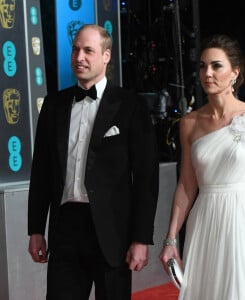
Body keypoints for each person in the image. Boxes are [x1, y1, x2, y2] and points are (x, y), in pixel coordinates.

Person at [159, 34, 245, 299]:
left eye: (216, 66)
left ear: (235, 72)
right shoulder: (189, 123)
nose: (207, 73)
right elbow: (186, 184)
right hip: (205, 222)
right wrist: (171, 238)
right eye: (202, 66)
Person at [27, 24, 159, 300]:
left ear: (106, 56)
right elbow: (41, 172)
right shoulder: (53, 105)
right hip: (65, 230)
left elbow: (146, 178)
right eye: (76, 49)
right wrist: (36, 229)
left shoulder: (129, 105)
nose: (80, 57)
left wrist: (141, 238)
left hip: (113, 232)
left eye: (88, 50)